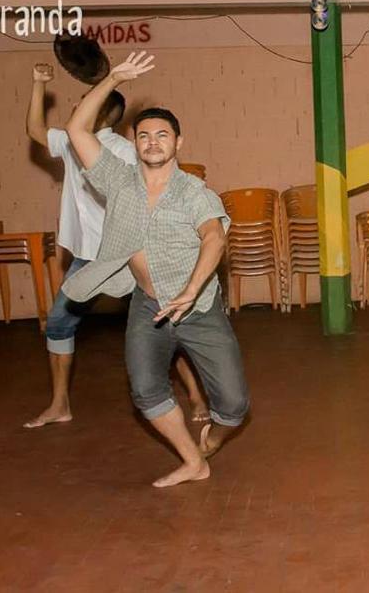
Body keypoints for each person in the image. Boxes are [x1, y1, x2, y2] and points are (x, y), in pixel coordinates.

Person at [61, 51, 249, 487]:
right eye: (144, 136)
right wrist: (113, 78)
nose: (152, 142)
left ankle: (212, 439)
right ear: (134, 142)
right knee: (146, 391)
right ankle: (193, 461)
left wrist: (191, 289)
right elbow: (76, 130)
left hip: (198, 309)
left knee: (234, 405)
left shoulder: (194, 193)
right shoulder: (117, 180)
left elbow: (214, 238)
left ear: (178, 143)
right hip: (148, 307)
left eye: (162, 135)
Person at [23, 62, 209, 429]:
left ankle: (196, 396)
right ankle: (60, 404)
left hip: (127, 256)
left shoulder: (124, 152)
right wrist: (38, 84)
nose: (77, 106)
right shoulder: (70, 142)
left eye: (83, 103)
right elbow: (35, 130)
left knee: (162, 323)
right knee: (58, 324)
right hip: (87, 258)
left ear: (101, 112)